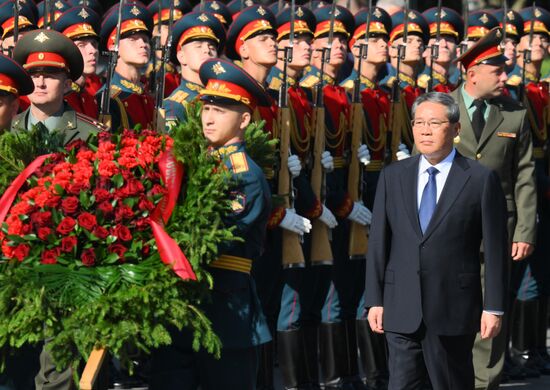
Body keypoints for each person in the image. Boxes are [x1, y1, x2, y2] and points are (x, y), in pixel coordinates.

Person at [365, 91, 509, 390]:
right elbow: (379, 242)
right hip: (400, 306)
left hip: (452, 307)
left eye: (434, 122)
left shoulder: (479, 179)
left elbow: (495, 250)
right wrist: (374, 300)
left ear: (456, 130)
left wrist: (493, 306)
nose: (425, 130)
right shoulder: (394, 176)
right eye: (419, 123)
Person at [150, 58, 272, 390]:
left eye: (221, 111)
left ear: (244, 119)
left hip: (225, 312)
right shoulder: (193, 162)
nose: (209, 117)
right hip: (181, 309)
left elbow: (216, 239)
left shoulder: (244, 175)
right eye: (206, 108)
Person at [11, 28, 104, 390]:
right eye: (33, 74)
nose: (41, 81)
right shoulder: (8, 133)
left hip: (68, 269)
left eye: (51, 73)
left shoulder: (90, 135)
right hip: (14, 269)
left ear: (68, 83)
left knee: (58, 373)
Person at [451, 27, 537, 390]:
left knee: (491, 310)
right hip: (447, 227)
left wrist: (525, 230)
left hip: (498, 228)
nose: (507, 77)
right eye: (497, 72)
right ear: (472, 74)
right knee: (449, 307)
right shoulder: (439, 107)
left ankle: (485, 382)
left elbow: (524, 176)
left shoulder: (514, 113)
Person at [340, 6, 392, 389]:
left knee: (380, 281)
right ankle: (340, 373)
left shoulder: (386, 93)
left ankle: (377, 370)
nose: (383, 44)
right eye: (372, 39)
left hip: (385, 188)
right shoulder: (342, 94)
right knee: (350, 286)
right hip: (357, 194)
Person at [505, 5, 550, 378]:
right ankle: (515, 349)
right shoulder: (512, 91)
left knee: (539, 272)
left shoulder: (540, 88)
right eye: (531, 37)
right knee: (516, 274)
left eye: (544, 38)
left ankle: (531, 346)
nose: (538, 43)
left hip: (543, 179)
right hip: (526, 181)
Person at [96, 2, 154, 131]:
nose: (143, 44)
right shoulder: (108, 99)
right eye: (133, 39)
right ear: (113, 48)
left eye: (145, 39)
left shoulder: (145, 94)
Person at [163, 10, 225, 128]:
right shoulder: (174, 105)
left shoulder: (222, 98)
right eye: (198, 46)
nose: (207, 50)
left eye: (211, 47)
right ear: (182, 57)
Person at [54, 5, 102, 119]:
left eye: (94, 44)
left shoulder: (90, 98)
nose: (93, 51)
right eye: (82, 45)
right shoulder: (57, 99)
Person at [418, 6, 463, 92]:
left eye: (449, 39)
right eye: (437, 39)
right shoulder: (422, 87)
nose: (444, 44)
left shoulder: (452, 86)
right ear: (424, 49)